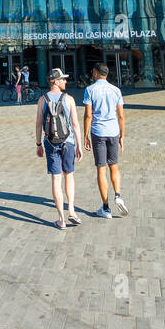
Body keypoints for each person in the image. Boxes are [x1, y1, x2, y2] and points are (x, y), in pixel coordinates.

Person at [35, 68, 84, 230]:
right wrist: (79, 145)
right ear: (55, 81)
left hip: (50, 143)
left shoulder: (42, 99)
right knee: (69, 176)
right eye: (62, 79)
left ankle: (61, 220)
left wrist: (38, 144)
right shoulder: (69, 99)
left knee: (56, 179)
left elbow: (39, 123)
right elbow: (75, 124)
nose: (65, 81)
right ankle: (71, 210)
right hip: (68, 142)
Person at [82, 63, 128, 219]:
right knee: (114, 166)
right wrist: (122, 136)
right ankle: (118, 195)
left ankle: (106, 208)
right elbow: (121, 116)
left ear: (96, 73)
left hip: (98, 132)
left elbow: (88, 115)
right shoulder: (116, 90)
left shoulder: (90, 90)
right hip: (113, 131)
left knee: (101, 169)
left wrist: (85, 135)